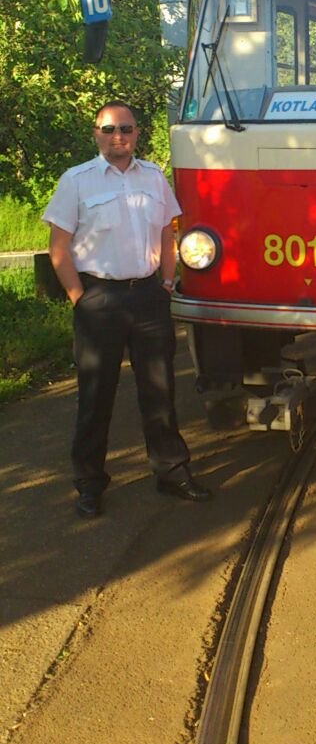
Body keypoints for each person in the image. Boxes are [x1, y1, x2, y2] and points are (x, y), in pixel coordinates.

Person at [43, 100, 211, 518]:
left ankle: (172, 471)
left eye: (127, 129)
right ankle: (89, 482)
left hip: (149, 296)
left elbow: (167, 235)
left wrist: (167, 283)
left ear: (137, 133)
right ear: (96, 134)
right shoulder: (77, 181)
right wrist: (80, 298)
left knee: (160, 390)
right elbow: (58, 249)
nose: (118, 136)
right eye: (109, 129)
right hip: (99, 299)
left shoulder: (154, 177)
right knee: (96, 396)